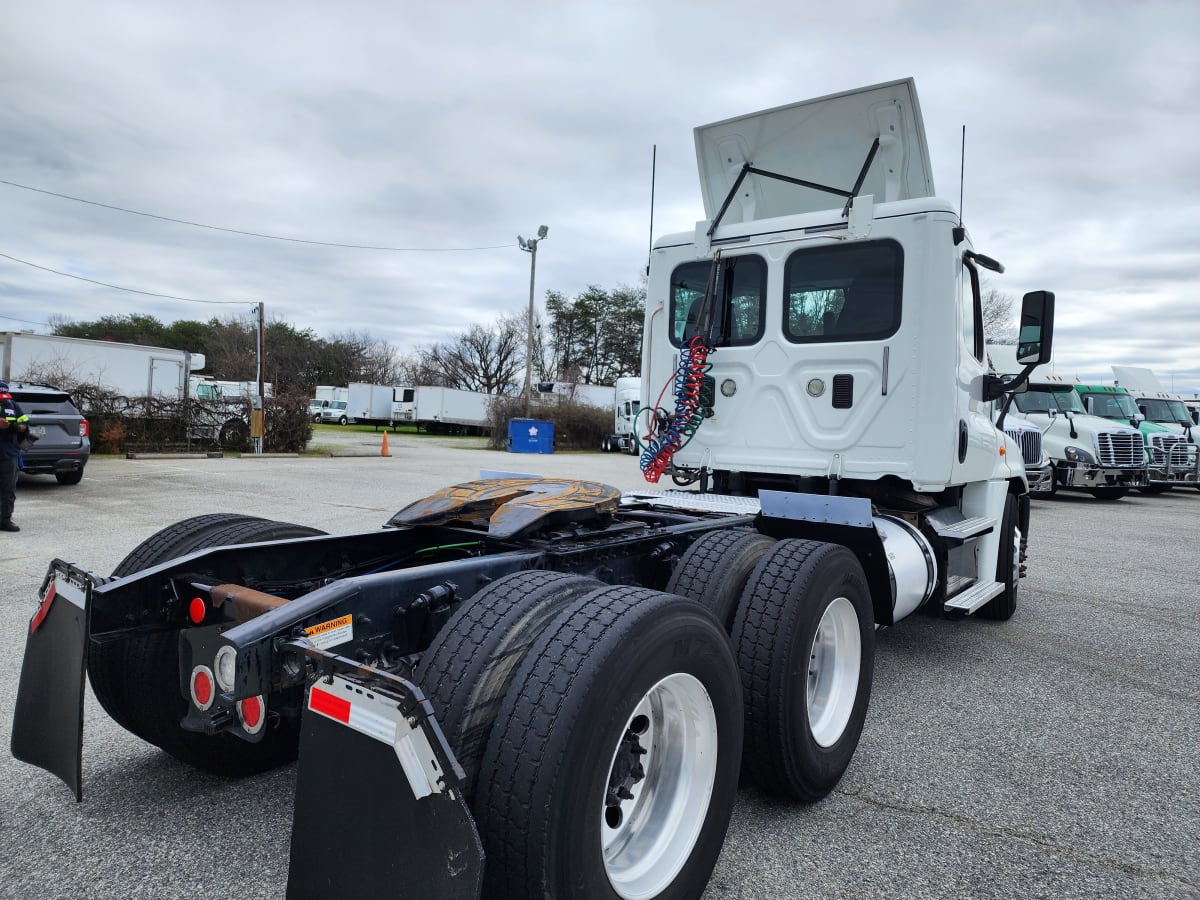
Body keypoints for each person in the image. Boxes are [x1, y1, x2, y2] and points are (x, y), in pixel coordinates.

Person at [0, 381, 30, 532]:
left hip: (8, 453)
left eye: (4, 397)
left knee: (8, 488)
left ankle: (5, 519)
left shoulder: (12, 405)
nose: (3, 400)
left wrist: (13, 426)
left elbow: (26, 425)